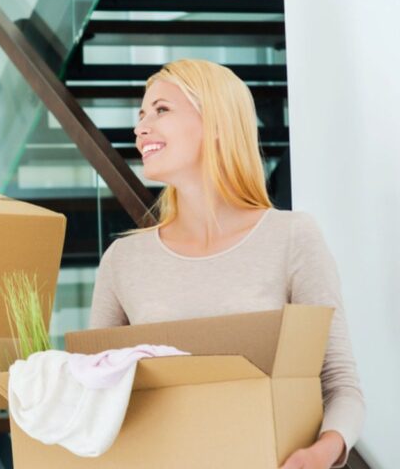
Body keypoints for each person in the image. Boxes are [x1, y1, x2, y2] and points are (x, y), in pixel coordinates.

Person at [89, 59, 364, 469]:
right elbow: (95, 391)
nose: (141, 127)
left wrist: (321, 453)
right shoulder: (123, 261)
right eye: (141, 114)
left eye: (161, 110)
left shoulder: (291, 237)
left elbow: (339, 383)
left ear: (216, 121)